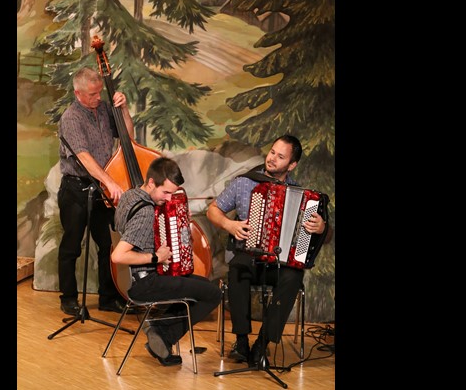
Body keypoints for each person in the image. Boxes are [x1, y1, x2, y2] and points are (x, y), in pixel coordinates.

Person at [206, 134, 331, 365]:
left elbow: (326, 236)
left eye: (280, 156)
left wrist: (321, 227)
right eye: (272, 152)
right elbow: (213, 210)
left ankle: (262, 344)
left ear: (292, 165)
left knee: (294, 275)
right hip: (249, 257)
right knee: (238, 268)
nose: (272, 158)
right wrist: (229, 225)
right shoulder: (244, 182)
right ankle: (241, 341)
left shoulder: (303, 196)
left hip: (278, 263)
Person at [111, 157, 222, 367]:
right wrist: (156, 257)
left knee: (202, 287)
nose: (169, 198)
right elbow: (118, 256)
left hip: (134, 278)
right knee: (213, 294)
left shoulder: (131, 195)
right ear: (152, 182)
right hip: (145, 283)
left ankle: (159, 331)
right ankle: (161, 335)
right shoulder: (145, 212)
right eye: (166, 193)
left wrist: (179, 217)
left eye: (173, 193)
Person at [57, 66, 134, 316]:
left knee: (107, 244)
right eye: (92, 94)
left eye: (99, 92)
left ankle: (108, 298)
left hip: (99, 188)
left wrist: (123, 109)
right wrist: (110, 182)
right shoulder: (71, 118)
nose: (98, 98)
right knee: (72, 246)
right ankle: (68, 298)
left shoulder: (102, 109)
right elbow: (84, 157)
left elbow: (128, 138)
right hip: (76, 189)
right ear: (78, 94)